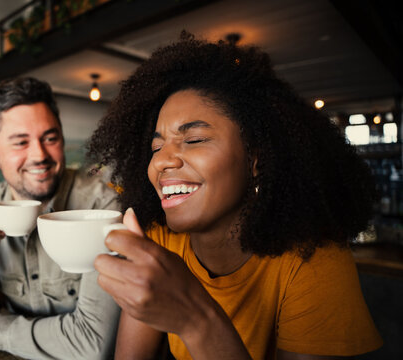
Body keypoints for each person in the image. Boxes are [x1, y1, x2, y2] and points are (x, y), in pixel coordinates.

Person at [87, 33, 383, 360]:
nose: (161, 161)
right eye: (156, 147)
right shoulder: (159, 241)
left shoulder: (314, 262)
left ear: (256, 159)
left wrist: (196, 320)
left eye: (195, 139)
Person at [0, 77, 121, 359]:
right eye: (20, 142)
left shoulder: (100, 207)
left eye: (50, 138)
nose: (39, 154)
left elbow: (92, 345)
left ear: (62, 141)